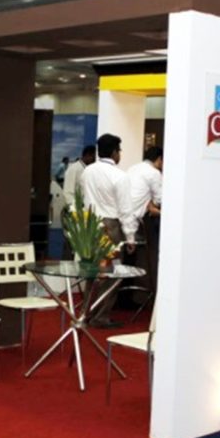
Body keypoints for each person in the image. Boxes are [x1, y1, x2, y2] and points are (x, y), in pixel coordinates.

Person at [80, 134, 137, 327]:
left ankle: (87, 313)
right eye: (119, 150)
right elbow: (125, 210)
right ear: (114, 152)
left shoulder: (88, 171)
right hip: (110, 226)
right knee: (111, 274)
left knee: (92, 273)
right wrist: (130, 237)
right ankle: (100, 317)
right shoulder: (120, 176)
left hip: (90, 226)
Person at [127, 146, 163, 303]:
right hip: (139, 224)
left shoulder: (133, 168)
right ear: (159, 159)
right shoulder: (154, 173)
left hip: (125, 221)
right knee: (151, 256)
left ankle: (130, 297)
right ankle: (146, 297)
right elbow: (161, 199)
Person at [63, 145, 96, 210]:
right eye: (94, 158)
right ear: (87, 155)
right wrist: (75, 210)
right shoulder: (74, 169)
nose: (95, 161)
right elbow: (68, 193)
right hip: (78, 210)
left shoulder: (89, 169)